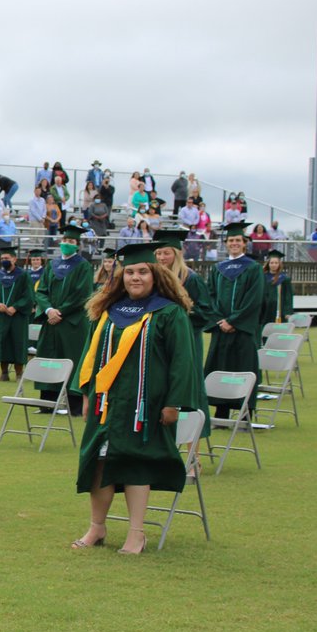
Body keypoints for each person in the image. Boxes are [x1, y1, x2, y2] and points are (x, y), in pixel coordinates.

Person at [71, 241, 198, 555]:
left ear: (156, 275)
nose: (135, 278)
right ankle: (97, 528)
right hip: (106, 403)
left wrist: (173, 403)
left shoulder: (168, 313)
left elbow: (182, 361)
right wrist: (87, 393)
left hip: (146, 405)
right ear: (121, 276)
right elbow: (91, 353)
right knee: (98, 462)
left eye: (143, 271)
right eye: (130, 272)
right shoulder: (109, 311)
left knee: (136, 465)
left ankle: (136, 534)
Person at [153, 227, 215, 441]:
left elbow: (206, 311)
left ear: (177, 253)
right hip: (159, 343)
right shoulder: (153, 279)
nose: (162, 257)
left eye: (166, 252)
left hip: (187, 341)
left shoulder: (191, 279)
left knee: (189, 392)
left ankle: (193, 456)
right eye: (159, 253)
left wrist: (179, 316)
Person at [204, 222, 265, 419]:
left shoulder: (253, 268)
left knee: (243, 368)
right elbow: (210, 296)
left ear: (244, 243)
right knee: (221, 367)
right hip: (221, 328)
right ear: (226, 243)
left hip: (242, 330)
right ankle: (221, 411)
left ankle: (245, 411)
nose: (234, 243)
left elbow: (254, 299)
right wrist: (220, 320)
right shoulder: (218, 269)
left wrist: (234, 321)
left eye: (238, 240)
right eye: (231, 240)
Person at [34, 225, 92, 414]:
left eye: (72, 242)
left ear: (77, 245)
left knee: (72, 359)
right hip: (51, 322)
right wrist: (49, 310)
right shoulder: (52, 265)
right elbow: (41, 291)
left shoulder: (83, 266)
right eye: (65, 240)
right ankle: (47, 404)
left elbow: (82, 294)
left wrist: (61, 312)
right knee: (48, 358)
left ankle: (73, 405)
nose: (67, 244)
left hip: (71, 324)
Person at [0, 242, 31, 381]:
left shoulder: (23, 275)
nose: (5, 261)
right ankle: (4, 373)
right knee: (2, 342)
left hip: (17, 316)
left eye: (7, 258)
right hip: (1, 316)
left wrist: (16, 307)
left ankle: (19, 373)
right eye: (2, 259)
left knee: (18, 342)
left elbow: (28, 295)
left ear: (14, 259)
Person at [262, 249, 294, 325]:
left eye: (276, 263)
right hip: (265, 309)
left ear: (279, 264)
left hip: (279, 309)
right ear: (268, 264)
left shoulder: (284, 278)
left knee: (279, 332)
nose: (274, 265)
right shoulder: (262, 277)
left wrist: (288, 312)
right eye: (271, 263)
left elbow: (288, 296)